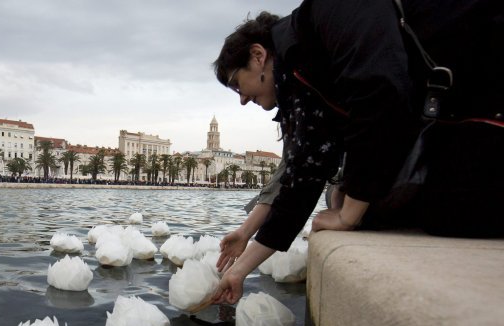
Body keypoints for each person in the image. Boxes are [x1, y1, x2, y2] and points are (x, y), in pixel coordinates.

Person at [211, 0, 504, 305]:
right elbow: (303, 172)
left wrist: (349, 214)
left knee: (451, 210)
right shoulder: (302, 77)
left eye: (236, 84)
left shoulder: (329, 12)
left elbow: (379, 92)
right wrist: (241, 265)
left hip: (486, 89)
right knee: (389, 212)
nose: (242, 99)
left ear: (258, 56)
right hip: (458, 109)